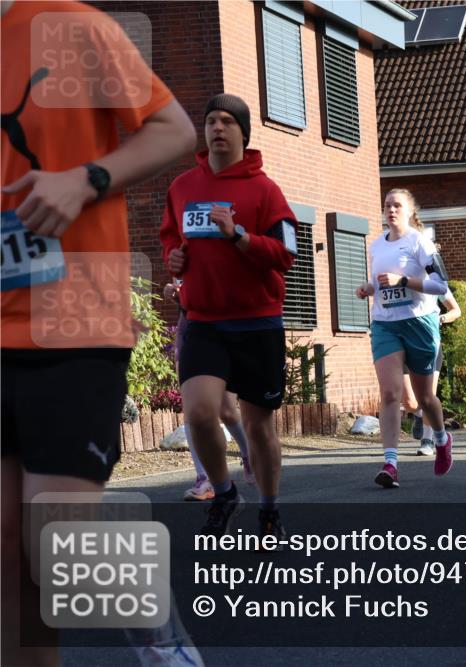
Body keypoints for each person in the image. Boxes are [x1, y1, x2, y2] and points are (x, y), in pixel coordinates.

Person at [1, 2, 197, 665]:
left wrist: (85, 180)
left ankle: (157, 628)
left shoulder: (73, 25)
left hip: (73, 324)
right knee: (8, 567)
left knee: (55, 540)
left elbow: (174, 129)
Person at [161, 93, 296, 540]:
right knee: (200, 413)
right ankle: (223, 492)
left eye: (227, 122)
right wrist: (173, 259)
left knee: (259, 427)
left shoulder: (265, 190)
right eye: (211, 121)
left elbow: (287, 253)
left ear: (243, 132)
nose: (217, 128)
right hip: (202, 319)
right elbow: (169, 240)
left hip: (257, 320)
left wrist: (239, 235)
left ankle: (270, 509)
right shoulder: (182, 187)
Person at [356, 189, 453, 489]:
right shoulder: (375, 247)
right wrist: (368, 289)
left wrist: (404, 281)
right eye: (387, 205)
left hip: (420, 323)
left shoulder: (420, 242)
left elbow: (440, 284)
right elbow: (378, 283)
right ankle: (390, 464)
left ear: (410, 210)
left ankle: (441, 437)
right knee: (390, 394)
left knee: (425, 398)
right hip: (386, 324)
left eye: (397, 205)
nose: (391, 210)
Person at [163, 280, 255, 500]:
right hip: (189, 334)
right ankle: (204, 479)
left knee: (226, 409)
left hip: (225, 334)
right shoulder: (181, 253)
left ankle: (249, 455)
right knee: (192, 410)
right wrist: (176, 295)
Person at [401, 287, 462, 456]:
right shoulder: (398, 281)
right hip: (403, 345)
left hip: (429, 344)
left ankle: (428, 441)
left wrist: (442, 318)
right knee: (409, 402)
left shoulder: (433, 281)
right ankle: (420, 414)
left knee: (428, 395)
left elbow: (456, 310)